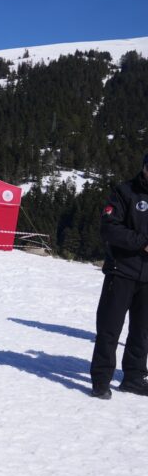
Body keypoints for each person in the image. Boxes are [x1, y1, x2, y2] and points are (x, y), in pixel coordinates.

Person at [89, 153, 148, 399]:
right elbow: (109, 228)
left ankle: (134, 378)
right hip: (122, 270)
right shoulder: (125, 192)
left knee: (142, 331)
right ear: (145, 167)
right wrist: (142, 243)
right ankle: (101, 380)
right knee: (110, 327)